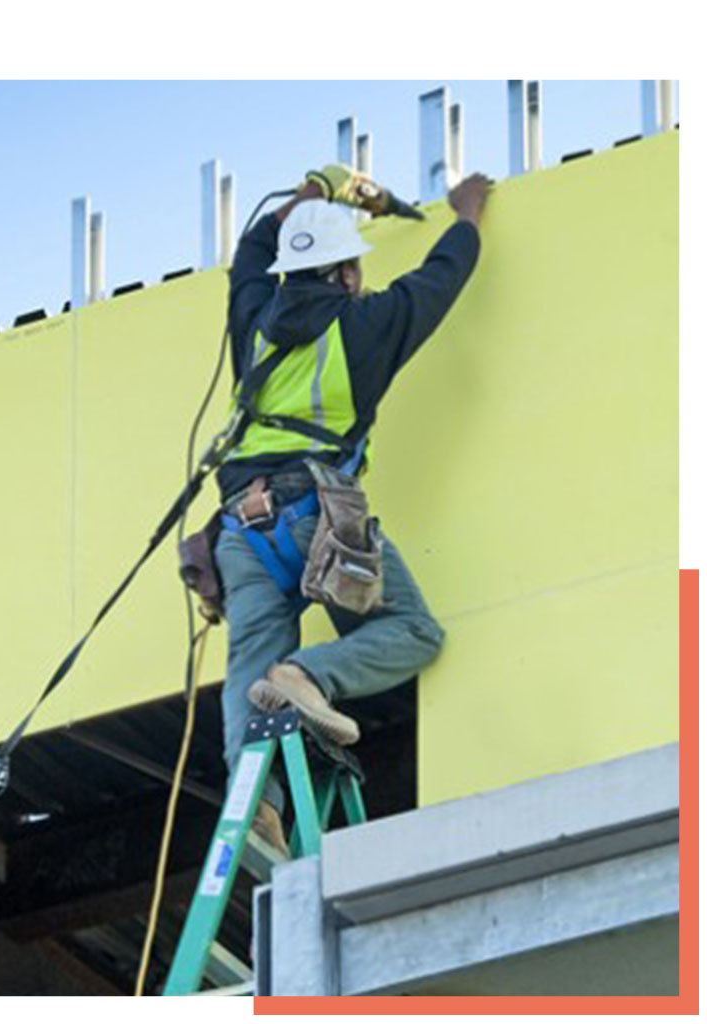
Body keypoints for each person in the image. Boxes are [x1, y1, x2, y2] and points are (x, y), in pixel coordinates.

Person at [214, 164, 491, 853]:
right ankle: (312, 675)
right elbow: (442, 277)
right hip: (315, 518)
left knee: (250, 667)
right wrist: (466, 214)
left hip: (239, 531)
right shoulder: (367, 326)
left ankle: (256, 805)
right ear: (344, 275)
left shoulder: (253, 317)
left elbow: (252, 250)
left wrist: (319, 191)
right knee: (415, 632)